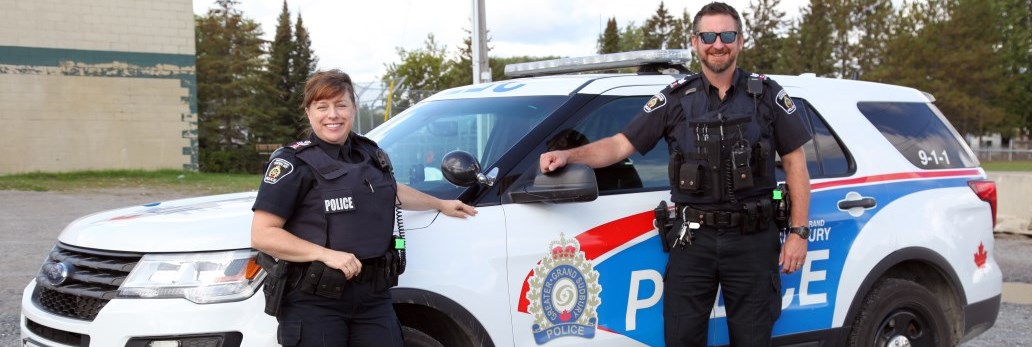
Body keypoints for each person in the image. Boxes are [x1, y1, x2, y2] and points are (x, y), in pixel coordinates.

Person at [539, 2, 811, 345]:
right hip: (693, 241)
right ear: (695, 42)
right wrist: (568, 155)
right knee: (682, 337)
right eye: (708, 36)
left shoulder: (768, 96)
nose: (718, 44)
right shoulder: (675, 99)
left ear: (740, 41)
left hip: (754, 241)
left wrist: (799, 232)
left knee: (753, 338)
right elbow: (620, 145)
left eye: (727, 35)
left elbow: (795, 164)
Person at [251, 69, 477, 347]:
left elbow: (390, 190)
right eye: (322, 107)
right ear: (309, 112)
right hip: (315, 302)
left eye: (341, 105)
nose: (333, 115)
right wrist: (326, 255)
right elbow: (263, 234)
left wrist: (440, 203)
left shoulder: (368, 153)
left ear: (353, 109)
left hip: (373, 298)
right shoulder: (292, 163)